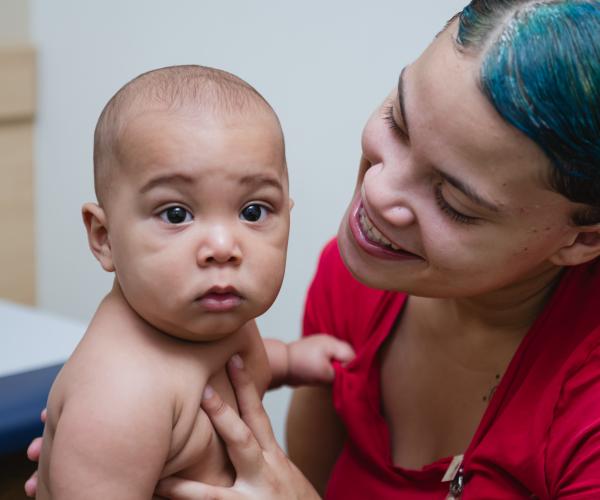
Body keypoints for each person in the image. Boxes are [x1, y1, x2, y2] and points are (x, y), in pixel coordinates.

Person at [141, 1, 600, 499]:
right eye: (398, 120)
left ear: (583, 239)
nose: (377, 194)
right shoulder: (356, 277)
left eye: (453, 200)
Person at [31, 65, 353, 499]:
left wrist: (290, 361)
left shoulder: (204, 318)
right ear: (104, 238)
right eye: (176, 214)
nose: (223, 246)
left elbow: (241, 366)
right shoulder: (121, 396)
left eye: (253, 211)